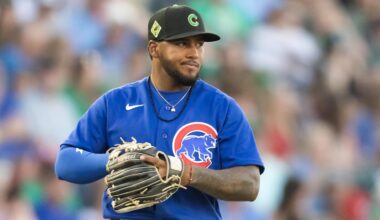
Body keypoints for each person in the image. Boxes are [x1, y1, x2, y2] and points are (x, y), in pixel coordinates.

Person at [55, 4, 265, 220]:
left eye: (199, 45)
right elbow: (66, 163)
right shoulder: (116, 102)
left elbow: (249, 184)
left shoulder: (222, 108)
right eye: (182, 43)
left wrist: (184, 172)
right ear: (154, 49)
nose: (194, 53)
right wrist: (115, 160)